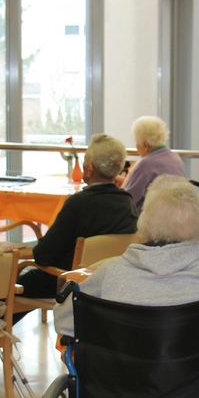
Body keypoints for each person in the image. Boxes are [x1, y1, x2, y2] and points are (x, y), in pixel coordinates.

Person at [55, 174, 199, 360]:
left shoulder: (112, 272)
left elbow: (64, 321)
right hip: (197, 395)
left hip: (116, 393)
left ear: (145, 222)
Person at [15, 133, 138, 320]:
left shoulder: (78, 203)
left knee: (11, 285)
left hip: (69, 281)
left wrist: (22, 252)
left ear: (89, 168)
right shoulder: (127, 203)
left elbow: (43, 255)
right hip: (108, 283)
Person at [122, 115, 186, 211]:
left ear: (145, 145)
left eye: (137, 142)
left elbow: (128, 199)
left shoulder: (146, 163)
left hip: (152, 216)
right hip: (176, 213)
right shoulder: (175, 158)